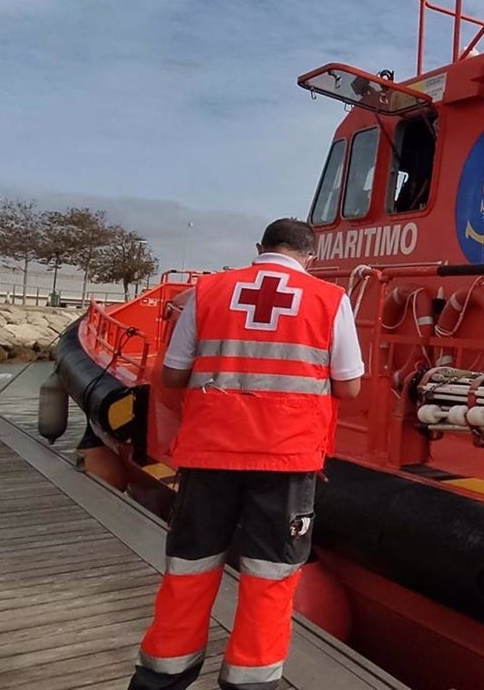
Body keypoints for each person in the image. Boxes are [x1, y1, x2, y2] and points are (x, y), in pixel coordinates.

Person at [128, 218, 364, 690]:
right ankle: (251, 680)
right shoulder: (330, 299)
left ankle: (162, 676)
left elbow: (172, 376)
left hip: (209, 453)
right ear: (310, 255)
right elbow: (350, 386)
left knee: (190, 569)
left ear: (259, 248)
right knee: (270, 579)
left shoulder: (209, 291)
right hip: (286, 459)